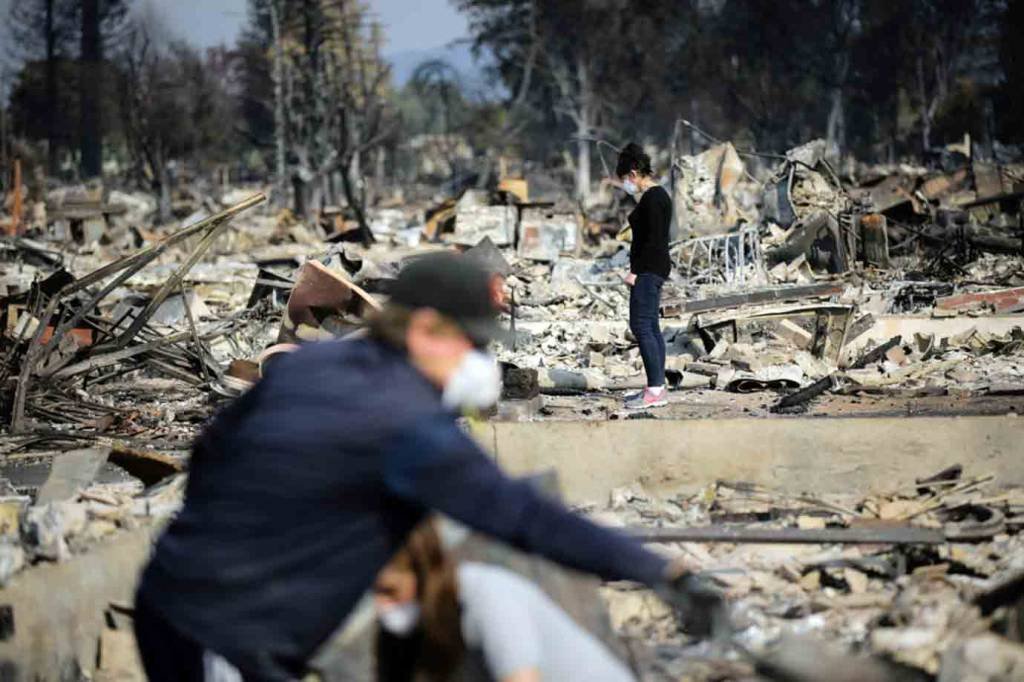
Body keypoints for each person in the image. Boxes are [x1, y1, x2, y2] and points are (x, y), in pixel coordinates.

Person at [133, 252, 704, 681]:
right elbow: (524, 517)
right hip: (227, 637)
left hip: (168, 600)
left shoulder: (319, 364)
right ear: (427, 330)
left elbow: (210, 452)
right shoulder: (406, 424)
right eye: (475, 343)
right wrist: (657, 571)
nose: (483, 360)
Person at [373, 520, 636, 682]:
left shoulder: (488, 599)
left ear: (423, 571)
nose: (381, 606)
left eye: (390, 591)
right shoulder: (429, 623)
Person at [616, 143, 673, 410]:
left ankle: (655, 391)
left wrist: (635, 272)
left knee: (641, 325)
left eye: (627, 178)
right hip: (655, 267)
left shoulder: (653, 198)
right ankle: (657, 386)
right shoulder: (657, 197)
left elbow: (652, 241)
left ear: (635, 172)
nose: (627, 184)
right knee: (650, 326)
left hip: (649, 269)